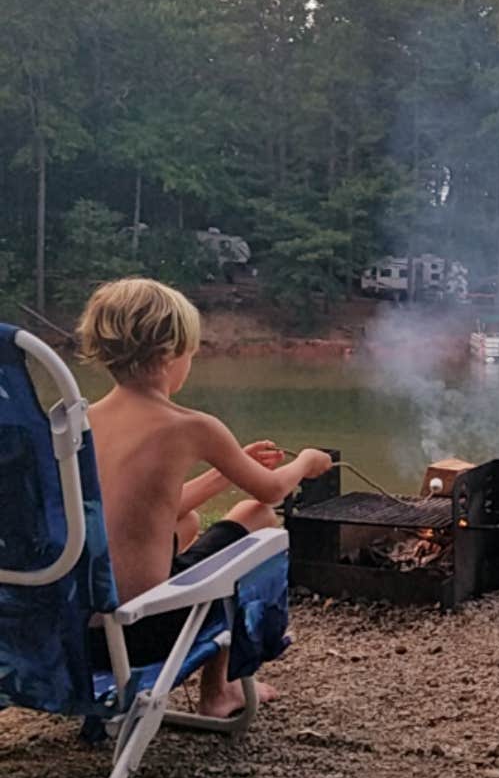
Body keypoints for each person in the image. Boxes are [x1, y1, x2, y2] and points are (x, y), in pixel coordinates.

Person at [77, 277, 333, 716]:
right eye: (191, 354)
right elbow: (271, 490)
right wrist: (307, 462)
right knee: (257, 518)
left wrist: (219, 476)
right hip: (139, 635)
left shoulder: (81, 422)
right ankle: (221, 689)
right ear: (170, 354)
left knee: (187, 523)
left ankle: (217, 680)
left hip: (73, 636)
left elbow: (140, 512)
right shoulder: (191, 425)